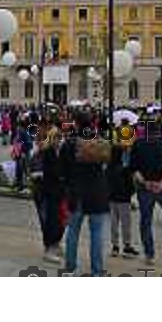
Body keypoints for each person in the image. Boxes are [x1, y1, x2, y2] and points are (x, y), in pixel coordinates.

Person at [62, 116, 111, 276]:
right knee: (96, 233)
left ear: (76, 125)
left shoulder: (69, 144)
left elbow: (63, 169)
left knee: (73, 231)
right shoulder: (100, 143)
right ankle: (97, 270)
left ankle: (70, 268)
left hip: (76, 193)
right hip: (97, 193)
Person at [130, 121, 162, 268]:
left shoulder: (138, 144)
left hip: (145, 189)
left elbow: (134, 170)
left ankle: (149, 255)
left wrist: (145, 183)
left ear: (146, 131)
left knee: (146, 221)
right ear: (160, 131)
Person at [107, 144, 139, 258]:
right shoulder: (125, 170)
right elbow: (131, 187)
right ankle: (127, 246)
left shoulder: (108, 169)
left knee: (113, 224)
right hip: (124, 200)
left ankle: (115, 246)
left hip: (111, 199)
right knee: (126, 224)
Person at [39, 127, 64, 264]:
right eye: (56, 138)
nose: (58, 141)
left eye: (59, 138)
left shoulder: (57, 152)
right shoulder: (48, 152)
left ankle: (55, 244)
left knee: (59, 219)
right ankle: (49, 248)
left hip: (58, 191)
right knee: (51, 219)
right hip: (50, 191)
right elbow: (52, 171)